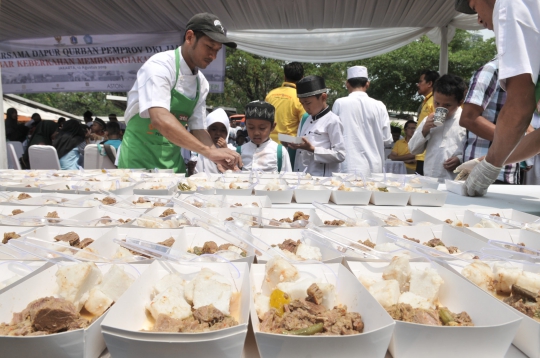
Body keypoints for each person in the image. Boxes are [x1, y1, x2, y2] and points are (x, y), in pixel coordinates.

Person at [118, 12, 241, 173]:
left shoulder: (201, 83)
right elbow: (159, 118)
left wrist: (216, 156)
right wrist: (208, 151)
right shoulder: (159, 66)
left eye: (217, 50)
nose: (213, 55)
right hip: (137, 164)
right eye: (209, 47)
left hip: (172, 167)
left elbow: (198, 129)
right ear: (190, 37)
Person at [455, 0, 540, 196]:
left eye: (475, 8)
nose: (479, 20)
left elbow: (519, 107)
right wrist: (484, 161)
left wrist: (490, 166)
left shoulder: (508, 4)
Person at [460, 57, 520, 184]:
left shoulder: (523, 74)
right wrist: (518, 141)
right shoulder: (492, 70)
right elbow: (468, 118)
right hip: (483, 171)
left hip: (508, 170)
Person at [332, 66, 391, 177]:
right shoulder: (380, 105)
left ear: (347, 84)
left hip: (349, 166)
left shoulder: (340, 103)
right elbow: (387, 139)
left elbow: (334, 135)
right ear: (367, 84)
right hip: (375, 168)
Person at [408, 74, 467, 181]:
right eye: (437, 103)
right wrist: (425, 130)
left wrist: (460, 159)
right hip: (430, 179)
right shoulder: (429, 120)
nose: (440, 108)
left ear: (460, 102)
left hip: (454, 182)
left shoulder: (466, 121)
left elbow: (474, 152)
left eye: (447, 105)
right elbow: (413, 149)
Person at [291, 75, 345, 176]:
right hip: (302, 176)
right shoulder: (305, 118)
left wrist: (312, 149)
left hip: (322, 179)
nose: (305, 107)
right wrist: (293, 144)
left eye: (308, 103)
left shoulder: (333, 121)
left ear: (323, 97)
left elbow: (340, 155)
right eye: (302, 103)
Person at [265, 62, 306, 167]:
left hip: (268, 146)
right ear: (302, 78)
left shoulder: (270, 94)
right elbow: (305, 125)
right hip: (289, 147)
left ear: (284, 76)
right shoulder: (300, 98)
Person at [238, 101, 292, 172]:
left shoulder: (280, 152)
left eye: (262, 128)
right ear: (246, 125)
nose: (256, 133)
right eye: (251, 127)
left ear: (272, 127)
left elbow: (287, 178)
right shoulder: (239, 152)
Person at [193, 108, 236, 174]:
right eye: (214, 129)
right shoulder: (201, 152)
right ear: (207, 130)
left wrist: (226, 150)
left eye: (222, 130)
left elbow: (236, 173)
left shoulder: (232, 150)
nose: (218, 133)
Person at [414, 70, 440, 175]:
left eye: (420, 81)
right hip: (422, 152)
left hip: (429, 154)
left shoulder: (435, 101)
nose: (418, 84)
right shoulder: (427, 101)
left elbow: (438, 126)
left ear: (430, 83)